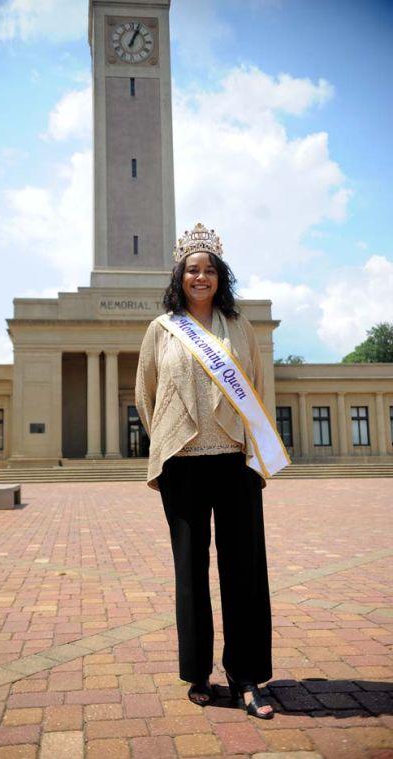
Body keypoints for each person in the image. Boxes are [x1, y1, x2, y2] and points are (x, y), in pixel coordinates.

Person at [135, 222, 286, 719]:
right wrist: (169, 436)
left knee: (244, 571)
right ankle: (197, 672)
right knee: (190, 572)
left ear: (221, 278)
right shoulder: (161, 329)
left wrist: (254, 450)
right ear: (179, 277)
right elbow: (146, 395)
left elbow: (258, 386)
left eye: (209, 271)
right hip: (183, 464)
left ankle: (247, 678)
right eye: (192, 270)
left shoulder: (240, 327)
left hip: (236, 461)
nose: (201, 277)